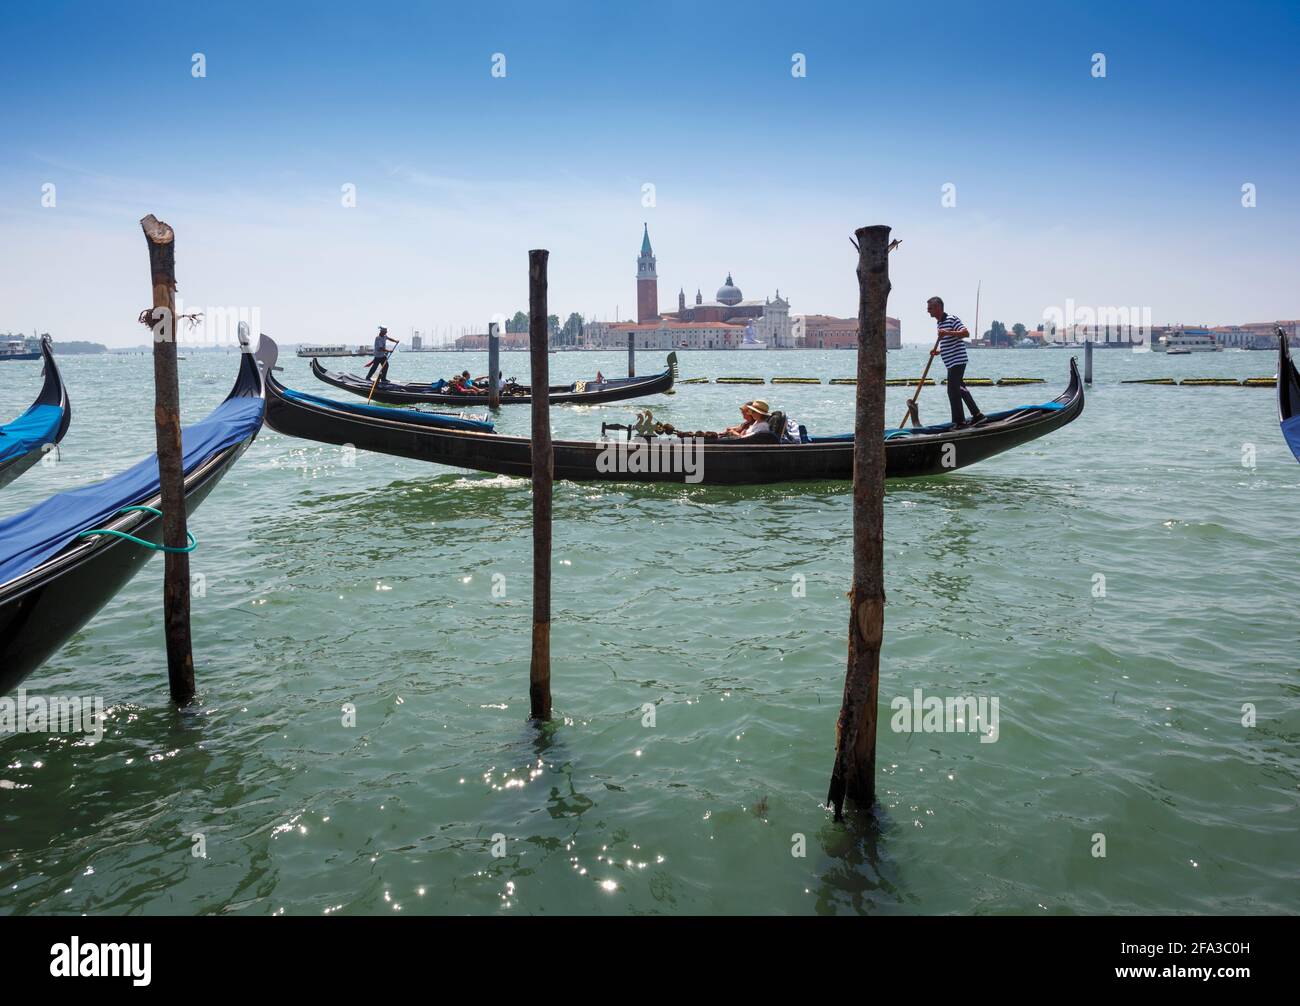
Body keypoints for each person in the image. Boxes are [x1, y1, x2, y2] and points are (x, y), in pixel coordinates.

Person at [926, 296, 986, 428]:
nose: (928, 311)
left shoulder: (951, 319)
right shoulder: (940, 323)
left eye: (930, 308)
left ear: (938, 307)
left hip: (957, 361)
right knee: (960, 389)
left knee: (952, 391)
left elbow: (965, 333)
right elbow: (949, 342)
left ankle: (959, 422)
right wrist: (939, 352)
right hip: (951, 362)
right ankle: (978, 415)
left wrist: (947, 332)